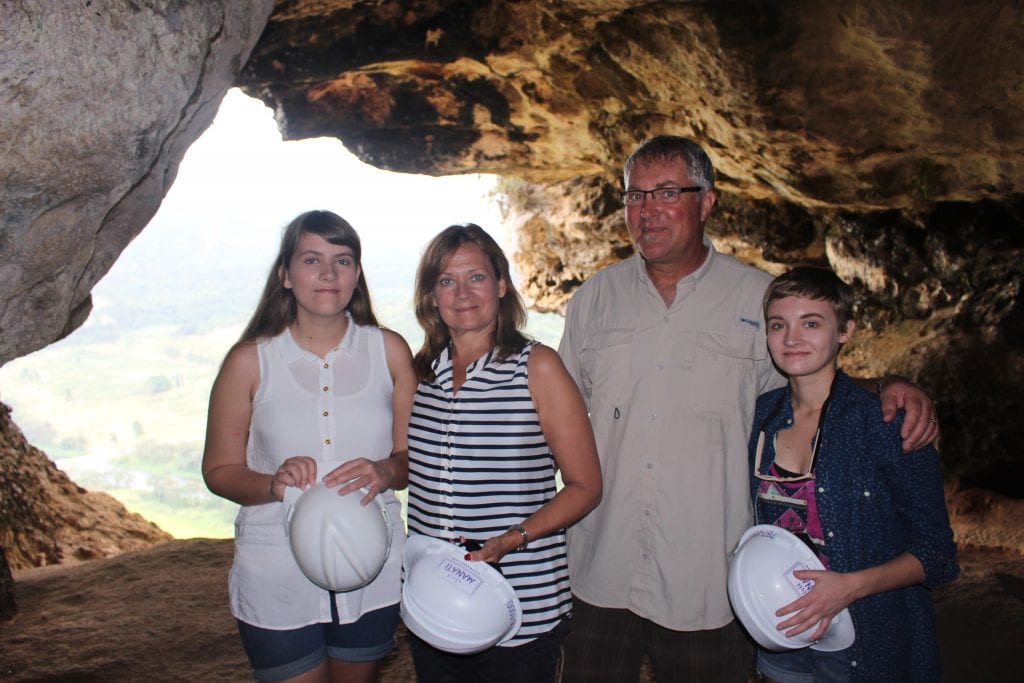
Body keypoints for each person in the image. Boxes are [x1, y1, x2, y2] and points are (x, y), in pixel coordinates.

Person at [557, 135, 940, 682]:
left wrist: (890, 384)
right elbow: (557, 413)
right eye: (634, 196)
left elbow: (810, 375)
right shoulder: (593, 299)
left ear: (707, 201)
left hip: (712, 576)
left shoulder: (756, 298)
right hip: (600, 562)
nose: (647, 211)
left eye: (667, 192)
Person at [202, 210, 416, 683]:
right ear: (285, 274)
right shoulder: (248, 362)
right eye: (312, 259)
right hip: (274, 569)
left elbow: (410, 460)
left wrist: (385, 471)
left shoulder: (390, 352)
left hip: (373, 564)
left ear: (356, 276)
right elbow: (219, 469)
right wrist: (272, 483)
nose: (327, 274)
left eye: (342, 261)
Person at [405, 223, 602, 682]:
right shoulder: (421, 376)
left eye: (476, 277)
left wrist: (512, 538)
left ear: (500, 285)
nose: (462, 293)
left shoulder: (537, 367)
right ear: (432, 296)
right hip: (434, 604)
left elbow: (586, 485)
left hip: (521, 605)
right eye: (446, 281)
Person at [749, 266, 958, 682]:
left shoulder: (886, 424)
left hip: (866, 640)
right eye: (778, 325)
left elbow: (938, 556)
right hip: (780, 636)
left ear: (845, 331)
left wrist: (849, 586)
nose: (791, 338)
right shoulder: (759, 417)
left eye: (811, 323)